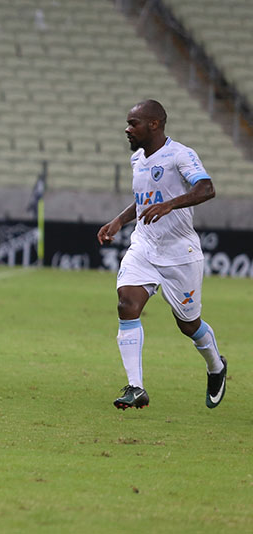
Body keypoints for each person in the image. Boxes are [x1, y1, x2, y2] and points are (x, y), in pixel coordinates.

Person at [97, 99, 227, 410]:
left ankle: (216, 365)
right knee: (127, 303)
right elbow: (143, 200)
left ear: (154, 124)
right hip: (144, 246)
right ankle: (136, 387)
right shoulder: (137, 159)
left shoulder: (180, 154)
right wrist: (120, 220)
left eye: (133, 123)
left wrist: (170, 204)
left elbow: (206, 188)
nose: (127, 129)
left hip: (179, 253)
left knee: (188, 324)